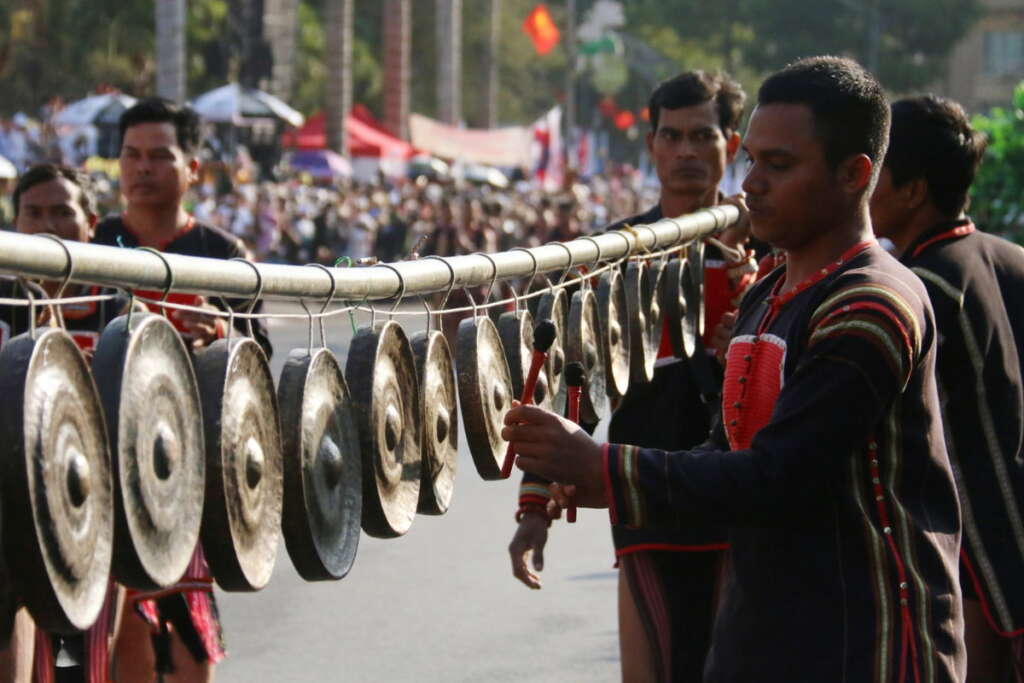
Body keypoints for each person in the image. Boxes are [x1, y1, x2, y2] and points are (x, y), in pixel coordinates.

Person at [505, 56, 965, 682]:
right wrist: (574, 487)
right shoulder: (770, 291)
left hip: (865, 639)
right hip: (764, 621)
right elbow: (726, 450)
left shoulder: (870, 306)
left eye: (778, 166)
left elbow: (780, 478)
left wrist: (606, 466)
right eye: (753, 160)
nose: (752, 185)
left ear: (855, 174)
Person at [509, 70, 757, 682]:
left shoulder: (774, 247)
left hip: (752, 508)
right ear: (650, 146)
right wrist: (535, 507)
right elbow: (573, 383)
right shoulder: (613, 255)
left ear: (731, 141)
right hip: (645, 497)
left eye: (703, 136)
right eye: (671, 137)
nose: (686, 153)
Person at [94, 97, 270, 683]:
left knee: (184, 615)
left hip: (184, 466)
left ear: (193, 168)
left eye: (159, 156)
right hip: (99, 463)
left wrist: (220, 335)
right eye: (131, 155)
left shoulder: (222, 256)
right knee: (117, 619)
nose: (142, 168)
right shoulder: (91, 246)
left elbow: (259, 361)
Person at [871, 95, 1024, 683]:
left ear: (913, 190)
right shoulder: (1005, 257)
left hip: (975, 554)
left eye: (875, 170)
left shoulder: (922, 288)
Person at [0, 164, 127, 682]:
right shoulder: (4, 303)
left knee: (86, 668)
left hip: (91, 515)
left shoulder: (118, 310)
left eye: (61, 212)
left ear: (90, 223)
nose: (46, 225)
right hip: (13, 513)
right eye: (33, 213)